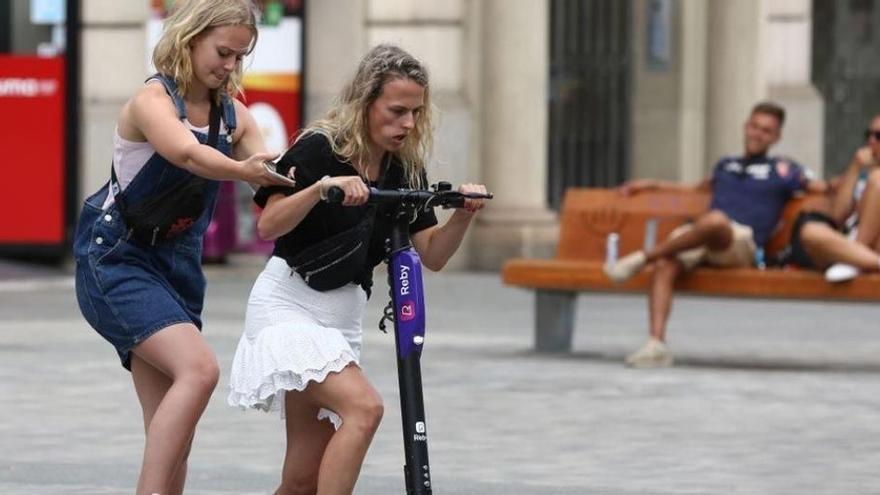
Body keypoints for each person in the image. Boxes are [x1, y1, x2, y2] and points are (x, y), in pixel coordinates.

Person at [226, 44, 487, 495]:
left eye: (415, 113)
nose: (407, 123)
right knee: (365, 409)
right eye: (397, 110)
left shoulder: (404, 169)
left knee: (302, 480)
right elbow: (268, 225)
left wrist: (464, 213)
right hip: (288, 305)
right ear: (366, 103)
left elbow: (433, 255)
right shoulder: (319, 149)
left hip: (342, 319)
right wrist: (320, 189)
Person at [73, 1, 292, 493]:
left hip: (178, 268)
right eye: (222, 52)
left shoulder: (234, 114)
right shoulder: (152, 101)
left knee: (172, 433)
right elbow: (186, 152)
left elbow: (271, 169)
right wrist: (242, 170)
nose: (229, 66)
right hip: (116, 260)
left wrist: (316, 182)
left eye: (240, 57)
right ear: (190, 37)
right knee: (199, 370)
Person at [603, 102, 826, 368]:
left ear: (776, 138)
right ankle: (656, 345)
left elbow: (824, 189)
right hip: (705, 237)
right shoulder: (726, 165)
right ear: (746, 127)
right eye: (754, 127)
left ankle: (641, 259)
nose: (757, 134)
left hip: (741, 243)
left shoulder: (785, 170)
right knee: (668, 261)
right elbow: (694, 189)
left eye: (766, 131)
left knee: (716, 221)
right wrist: (650, 184)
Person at [789, 114, 880, 282]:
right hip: (847, 245)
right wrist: (854, 167)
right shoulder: (861, 175)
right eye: (869, 135)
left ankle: (858, 260)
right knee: (811, 232)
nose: (872, 141)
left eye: (879, 136)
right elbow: (837, 216)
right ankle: (862, 260)